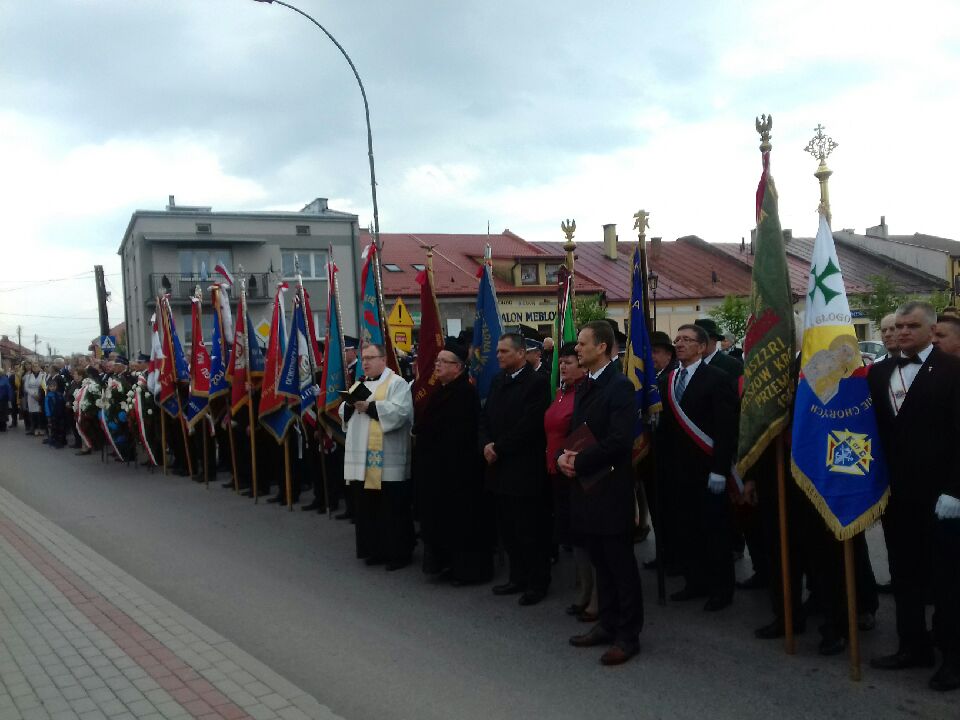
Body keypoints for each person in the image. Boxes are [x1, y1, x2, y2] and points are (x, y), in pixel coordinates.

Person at [867, 301, 960, 691]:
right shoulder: (879, 372)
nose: (903, 332)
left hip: (941, 497)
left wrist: (955, 489)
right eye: (899, 325)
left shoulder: (953, 371)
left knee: (947, 580)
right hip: (895, 493)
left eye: (912, 326)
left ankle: (953, 659)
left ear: (931, 330)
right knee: (904, 573)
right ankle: (912, 645)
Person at [561, 321, 645, 666]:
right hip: (587, 489)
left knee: (620, 567)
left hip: (610, 490)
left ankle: (628, 635)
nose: (577, 349)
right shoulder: (585, 385)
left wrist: (578, 461)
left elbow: (619, 441)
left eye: (583, 344)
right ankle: (607, 624)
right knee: (601, 563)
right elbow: (578, 431)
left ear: (602, 347)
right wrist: (563, 456)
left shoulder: (619, 386)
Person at [657, 323, 738, 611]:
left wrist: (720, 469)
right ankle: (695, 581)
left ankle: (721, 589)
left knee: (714, 531)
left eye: (687, 340)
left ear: (702, 347)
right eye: (677, 339)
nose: (679, 344)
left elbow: (726, 428)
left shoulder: (717, 378)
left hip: (707, 469)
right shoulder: (668, 379)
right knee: (687, 529)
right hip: (678, 471)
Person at [480, 332, 551, 606]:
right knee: (508, 529)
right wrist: (486, 443)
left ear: (521, 354)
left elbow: (529, 425)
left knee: (529, 529)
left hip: (524, 469)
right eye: (498, 351)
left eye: (504, 351)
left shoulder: (536, 383)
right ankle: (517, 577)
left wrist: (499, 447)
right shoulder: (498, 381)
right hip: (498, 469)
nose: (498, 356)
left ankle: (537, 582)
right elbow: (485, 417)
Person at [413, 340, 493, 585]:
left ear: (457, 367)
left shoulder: (465, 393)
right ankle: (446, 564)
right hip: (438, 471)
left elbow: (461, 433)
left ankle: (466, 571)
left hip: (458, 471)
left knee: (462, 523)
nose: (437, 365)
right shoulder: (441, 390)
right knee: (443, 521)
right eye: (437, 361)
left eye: (443, 362)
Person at [340, 343, 415, 571]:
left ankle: (398, 553)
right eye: (364, 358)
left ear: (383, 359)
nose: (365, 362)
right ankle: (375, 550)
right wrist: (350, 407)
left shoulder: (396, 383)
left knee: (391, 509)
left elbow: (401, 412)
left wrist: (371, 407)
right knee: (368, 508)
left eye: (370, 358)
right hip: (363, 461)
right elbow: (343, 411)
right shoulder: (360, 384)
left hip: (388, 460)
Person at [543, 342, 594, 620]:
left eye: (569, 362)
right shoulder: (562, 392)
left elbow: (585, 431)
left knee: (586, 536)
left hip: (577, 470)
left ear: (583, 365)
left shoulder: (586, 392)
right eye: (560, 362)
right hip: (557, 470)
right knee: (573, 535)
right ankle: (584, 591)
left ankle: (594, 596)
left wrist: (567, 457)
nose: (562, 366)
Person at [641, 330, 680, 574]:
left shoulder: (670, 378)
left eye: (655, 352)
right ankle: (664, 553)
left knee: (670, 512)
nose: (652, 357)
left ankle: (674, 556)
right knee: (658, 511)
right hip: (652, 456)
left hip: (669, 457)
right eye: (649, 353)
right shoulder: (651, 378)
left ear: (668, 354)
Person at [23, 363, 43, 436]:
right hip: (31, 396)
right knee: (31, 413)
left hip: (40, 396)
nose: (35, 368)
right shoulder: (28, 376)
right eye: (33, 366)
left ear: (39, 367)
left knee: (39, 413)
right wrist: (33, 394)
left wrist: (39, 395)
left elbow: (44, 386)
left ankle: (39, 429)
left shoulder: (43, 375)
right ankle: (32, 429)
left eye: (36, 366)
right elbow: (26, 387)